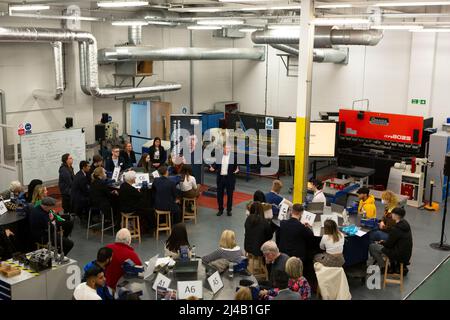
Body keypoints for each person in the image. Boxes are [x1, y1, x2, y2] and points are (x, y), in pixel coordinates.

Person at [369, 207, 413, 275]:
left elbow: (389, 245)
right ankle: (392, 265)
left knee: (372, 247)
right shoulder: (405, 224)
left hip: (397, 255)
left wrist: (382, 242)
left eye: (392, 214)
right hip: (406, 255)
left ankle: (384, 267)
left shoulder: (396, 229)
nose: (391, 215)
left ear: (396, 215)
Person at [209, 143, 239, 217]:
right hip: (221, 178)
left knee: (230, 195)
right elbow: (216, 165)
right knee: (219, 195)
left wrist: (237, 170)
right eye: (226, 148)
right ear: (223, 148)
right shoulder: (219, 156)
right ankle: (220, 209)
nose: (227, 150)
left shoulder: (234, 157)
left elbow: (236, 168)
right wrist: (213, 168)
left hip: (229, 179)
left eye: (229, 148)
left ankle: (229, 210)